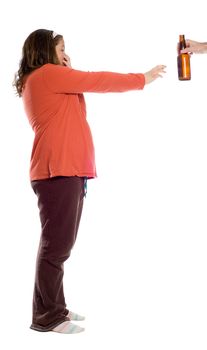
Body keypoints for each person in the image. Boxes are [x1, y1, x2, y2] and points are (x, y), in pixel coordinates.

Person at [13, 28, 166, 334]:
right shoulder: (46, 75)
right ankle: (48, 317)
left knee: (56, 245)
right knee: (56, 247)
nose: (64, 53)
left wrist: (66, 69)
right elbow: (96, 80)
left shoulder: (47, 78)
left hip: (64, 171)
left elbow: (76, 105)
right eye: (60, 48)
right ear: (45, 51)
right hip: (58, 171)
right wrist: (142, 79)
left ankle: (52, 308)